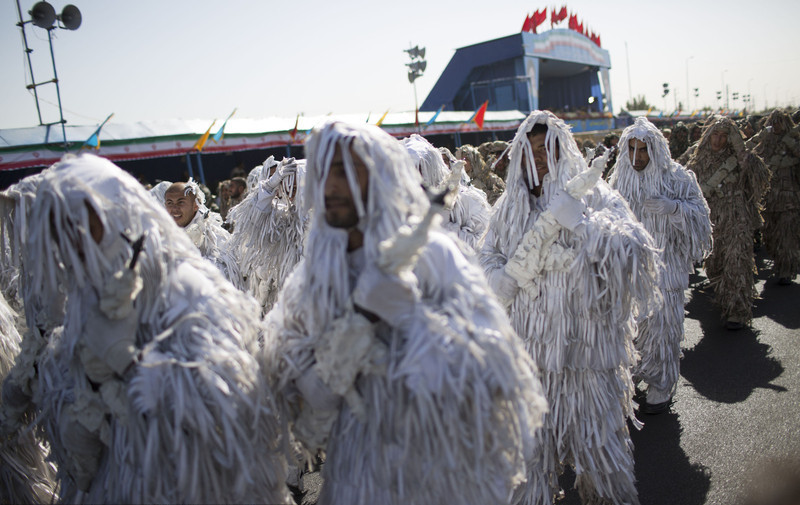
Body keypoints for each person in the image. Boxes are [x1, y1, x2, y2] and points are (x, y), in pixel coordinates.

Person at [262, 120, 547, 505]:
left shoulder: (435, 255)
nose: (331, 186)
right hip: (355, 477)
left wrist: (413, 323)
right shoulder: (310, 280)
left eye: (347, 170)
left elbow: (494, 373)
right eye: (323, 170)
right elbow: (304, 402)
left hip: (436, 473)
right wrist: (356, 329)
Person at [0, 153, 291, 503]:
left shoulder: (179, 282)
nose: (73, 238)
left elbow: (227, 393)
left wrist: (130, 372)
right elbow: (43, 373)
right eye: (61, 227)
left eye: (84, 222)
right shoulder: (78, 299)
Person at [479, 110, 662, 505]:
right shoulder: (507, 209)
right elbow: (486, 254)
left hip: (586, 357)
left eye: (547, 149)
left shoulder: (593, 195)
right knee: (528, 457)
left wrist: (581, 222)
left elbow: (636, 251)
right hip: (527, 361)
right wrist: (497, 278)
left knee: (598, 451)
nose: (540, 159)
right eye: (531, 152)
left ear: (563, 150)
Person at [609, 117, 713, 414]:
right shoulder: (618, 181)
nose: (637, 157)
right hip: (629, 274)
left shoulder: (677, 179)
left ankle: (661, 383)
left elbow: (702, 220)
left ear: (655, 149)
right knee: (632, 330)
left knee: (663, 330)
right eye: (631, 149)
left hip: (667, 272)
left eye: (643, 150)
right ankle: (635, 377)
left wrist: (675, 209)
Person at [685, 115, 770, 329]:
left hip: (737, 220)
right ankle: (725, 299)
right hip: (711, 223)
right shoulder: (697, 161)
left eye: (724, 136)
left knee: (737, 263)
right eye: (715, 134)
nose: (719, 140)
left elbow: (760, 178)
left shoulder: (741, 160)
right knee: (715, 266)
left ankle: (737, 310)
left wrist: (742, 151)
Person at [227, 156, 307, 315]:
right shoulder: (285, 219)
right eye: (287, 187)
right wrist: (270, 186)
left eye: (296, 187)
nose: (290, 194)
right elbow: (254, 222)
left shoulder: (331, 219)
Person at [403, 134, 491, 252]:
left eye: (420, 169)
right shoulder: (401, 204)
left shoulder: (466, 199)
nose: (415, 177)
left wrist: (444, 227)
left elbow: (483, 242)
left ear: (431, 167)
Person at [746, 109, 800, 285]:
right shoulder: (766, 142)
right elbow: (751, 155)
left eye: (779, 122)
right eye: (773, 122)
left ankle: (785, 270)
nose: (776, 125)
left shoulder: (794, 140)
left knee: (787, 237)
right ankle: (778, 263)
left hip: (789, 200)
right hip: (769, 200)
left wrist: (790, 143)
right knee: (771, 237)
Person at [163, 179, 243, 288]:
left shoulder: (214, 235)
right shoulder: (163, 236)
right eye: (169, 203)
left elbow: (226, 276)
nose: (174, 208)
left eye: (181, 202)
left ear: (195, 205)